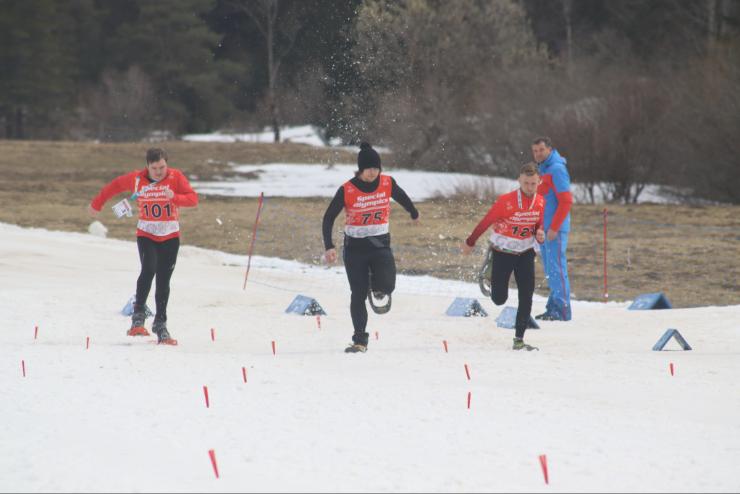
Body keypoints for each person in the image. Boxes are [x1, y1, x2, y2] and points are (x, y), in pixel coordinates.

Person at [88, 148, 198, 345]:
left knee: (164, 281)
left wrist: (174, 196)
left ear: (167, 164)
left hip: (170, 236)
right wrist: (97, 204)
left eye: (162, 167)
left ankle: (160, 325)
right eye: (154, 168)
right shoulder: (136, 179)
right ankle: (138, 316)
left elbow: (193, 199)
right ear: (147, 165)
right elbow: (114, 186)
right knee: (148, 270)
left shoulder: (176, 177)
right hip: (146, 234)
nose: (158, 171)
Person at [322, 142, 419, 353]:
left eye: (376, 168)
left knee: (387, 286)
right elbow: (328, 218)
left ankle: (376, 285)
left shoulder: (387, 182)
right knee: (357, 294)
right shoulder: (347, 189)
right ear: (361, 169)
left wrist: (413, 212)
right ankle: (360, 340)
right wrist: (329, 246)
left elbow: (402, 197)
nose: (373, 173)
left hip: (379, 244)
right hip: (355, 249)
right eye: (369, 169)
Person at [462, 163, 545, 351]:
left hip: (525, 252)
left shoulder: (540, 202)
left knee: (527, 295)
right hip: (503, 252)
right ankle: (491, 273)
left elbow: (539, 225)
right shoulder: (505, 201)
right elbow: (485, 222)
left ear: (539, 182)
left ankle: (519, 339)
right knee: (499, 299)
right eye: (526, 183)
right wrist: (470, 241)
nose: (530, 188)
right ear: (519, 181)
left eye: (533, 184)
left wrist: (540, 232)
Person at [531, 136, 573, 321]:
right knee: (550, 271)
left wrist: (554, 228)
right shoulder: (542, 169)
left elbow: (566, 201)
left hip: (554, 230)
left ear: (549, 149)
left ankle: (562, 311)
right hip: (544, 230)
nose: (538, 153)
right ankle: (553, 308)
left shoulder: (556, 169)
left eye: (541, 150)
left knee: (557, 269)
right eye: (535, 151)